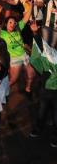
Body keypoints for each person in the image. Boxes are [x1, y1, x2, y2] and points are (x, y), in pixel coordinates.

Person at [0, 3, 35, 96]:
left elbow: (26, 18)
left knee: (31, 74)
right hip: (14, 58)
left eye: (14, 23)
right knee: (13, 80)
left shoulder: (18, 28)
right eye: (10, 22)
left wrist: (31, 5)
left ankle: (28, 89)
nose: (13, 24)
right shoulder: (2, 33)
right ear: (6, 24)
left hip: (25, 55)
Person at [28, 20, 57, 148]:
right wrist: (35, 32)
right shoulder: (47, 51)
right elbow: (41, 47)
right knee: (42, 110)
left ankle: (55, 136)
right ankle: (38, 128)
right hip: (45, 89)